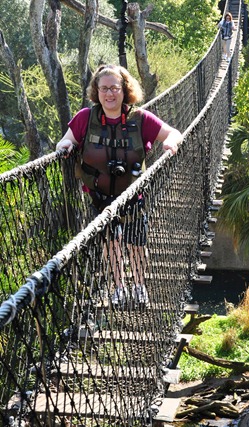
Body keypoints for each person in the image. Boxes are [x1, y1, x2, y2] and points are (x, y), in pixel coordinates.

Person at [56, 64, 183, 308]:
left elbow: (172, 133)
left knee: (136, 244)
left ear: (125, 91)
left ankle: (138, 286)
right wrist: (65, 147)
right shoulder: (85, 118)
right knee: (111, 244)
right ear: (96, 91)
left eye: (115, 88)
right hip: (99, 198)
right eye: (104, 88)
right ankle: (118, 288)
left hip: (133, 197)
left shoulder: (140, 119)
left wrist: (170, 144)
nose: (109, 94)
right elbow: (66, 141)